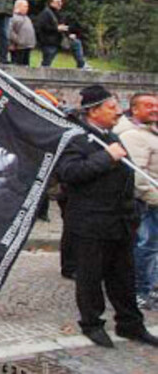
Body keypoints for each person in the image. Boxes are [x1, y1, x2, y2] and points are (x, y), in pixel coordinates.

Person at [54, 85, 158, 349]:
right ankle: (92, 324)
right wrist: (106, 157)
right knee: (90, 277)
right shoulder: (76, 138)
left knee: (123, 277)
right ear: (93, 111)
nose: (117, 112)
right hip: (91, 222)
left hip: (120, 221)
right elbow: (69, 174)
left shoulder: (111, 134)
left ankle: (130, 324)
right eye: (111, 107)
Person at [115, 93, 158, 311]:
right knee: (145, 248)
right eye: (148, 105)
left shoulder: (151, 133)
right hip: (147, 204)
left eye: (156, 105)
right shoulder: (134, 135)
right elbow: (137, 176)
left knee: (152, 248)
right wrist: (154, 198)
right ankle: (140, 292)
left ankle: (150, 287)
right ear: (134, 110)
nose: (155, 109)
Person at [35, 0, 91, 70]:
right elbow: (40, 27)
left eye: (61, 2)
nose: (60, 4)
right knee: (46, 63)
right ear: (51, 3)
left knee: (76, 43)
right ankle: (41, 71)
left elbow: (62, 27)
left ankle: (81, 64)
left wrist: (69, 35)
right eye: (58, 2)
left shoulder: (58, 14)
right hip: (49, 42)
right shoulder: (45, 13)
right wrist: (56, 28)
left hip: (58, 40)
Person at [8, 0, 35, 66]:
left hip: (27, 46)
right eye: (25, 6)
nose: (27, 8)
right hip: (18, 47)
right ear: (18, 6)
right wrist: (18, 40)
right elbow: (9, 31)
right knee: (18, 65)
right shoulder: (13, 17)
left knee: (26, 65)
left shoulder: (26, 18)